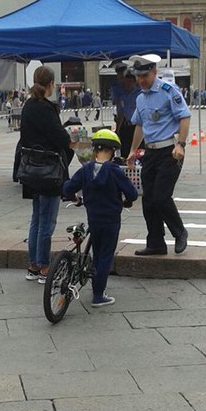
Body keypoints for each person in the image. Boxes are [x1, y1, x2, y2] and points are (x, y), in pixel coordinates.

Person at [63, 129, 138, 307]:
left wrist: (75, 198)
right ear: (112, 151)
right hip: (111, 220)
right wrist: (126, 202)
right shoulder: (114, 171)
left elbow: (67, 188)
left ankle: (94, 281)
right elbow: (132, 194)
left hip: (94, 219)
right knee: (106, 256)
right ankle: (98, 295)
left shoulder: (85, 170)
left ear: (95, 150)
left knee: (97, 252)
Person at [126, 54, 190, 256]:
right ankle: (156, 243)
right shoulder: (140, 98)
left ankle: (180, 232)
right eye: (138, 76)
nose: (141, 80)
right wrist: (133, 150)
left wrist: (181, 144)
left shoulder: (168, 91)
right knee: (148, 200)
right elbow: (140, 125)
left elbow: (184, 116)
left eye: (145, 76)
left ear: (154, 72)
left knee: (161, 196)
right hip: (150, 152)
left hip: (170, 151)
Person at [19, 65, 72, 283]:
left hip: (31, 168)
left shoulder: (28, 106)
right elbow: (60, 138)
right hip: (48, 170)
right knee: (47, 221)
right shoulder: (46, 108)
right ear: (51, 84)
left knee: (36, 219)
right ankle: (44, 267)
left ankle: (33, 265)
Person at [115, 67, 143, 159]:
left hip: (137, 126)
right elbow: (121, 113)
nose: (128, 84)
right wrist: (117, 129)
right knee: (125, 151)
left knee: (139, 152)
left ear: (135, 82)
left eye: (130, 82)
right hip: (126, 126)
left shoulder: (140, 95)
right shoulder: (123, 96)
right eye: (126, 82)